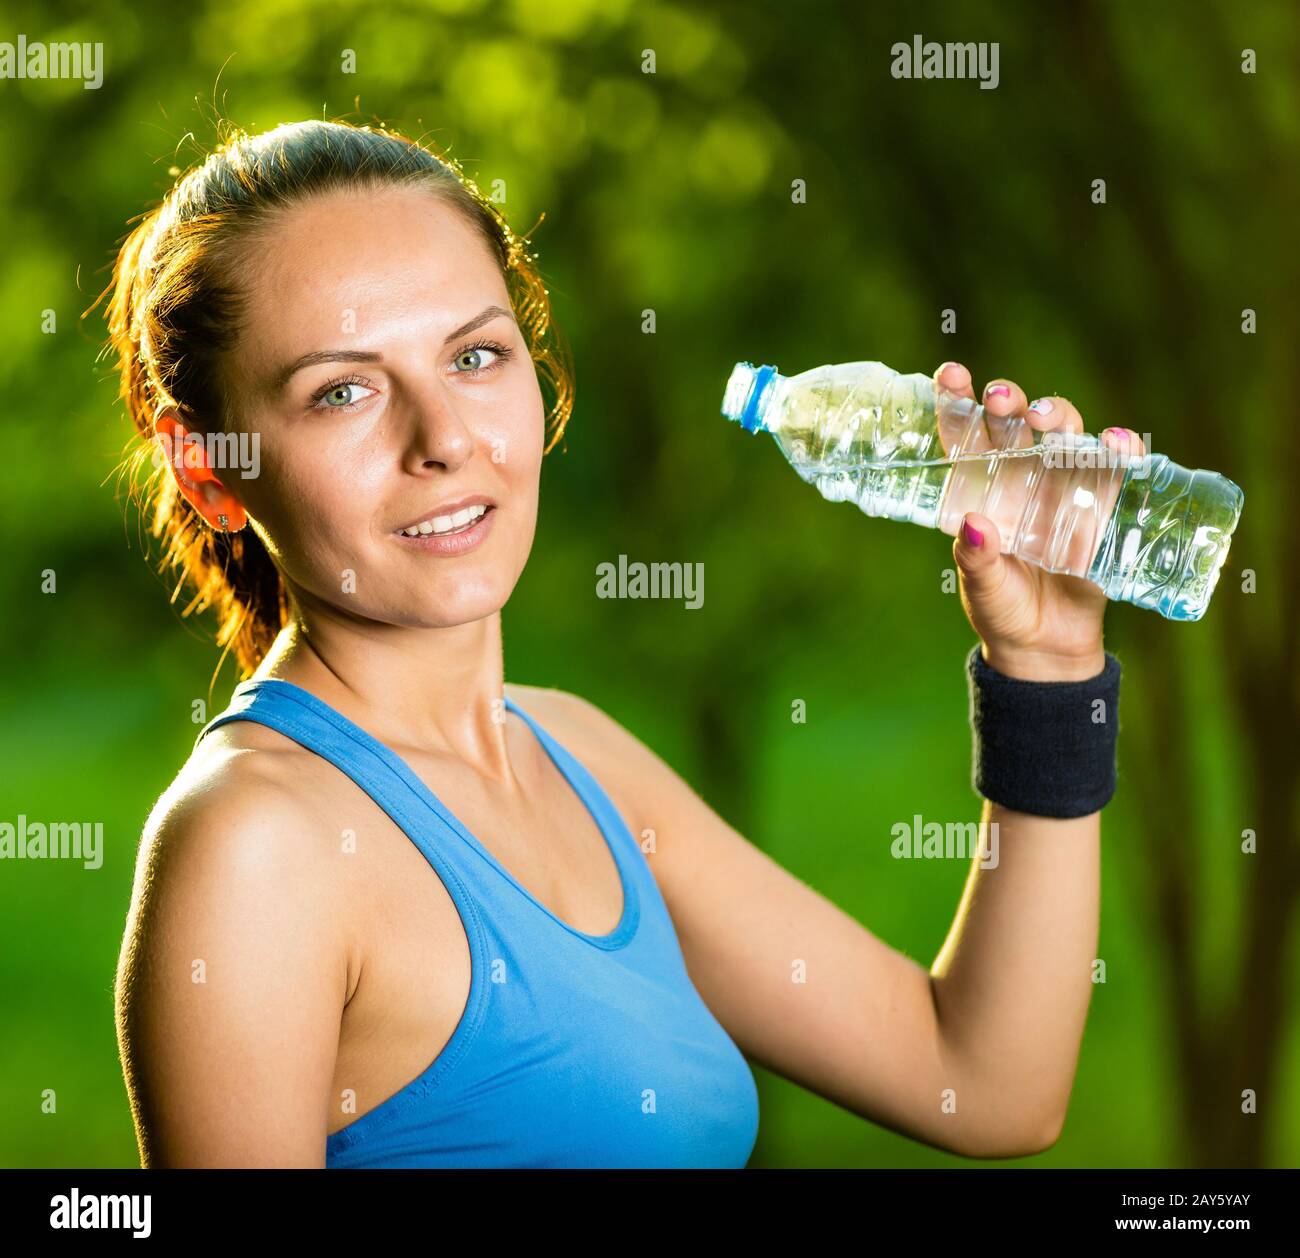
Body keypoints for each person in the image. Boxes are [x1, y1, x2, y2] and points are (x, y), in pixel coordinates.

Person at [105, 118, 1132, 1168]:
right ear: (208, 472)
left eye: (473, 355)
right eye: (342, 390)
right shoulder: (256, 847)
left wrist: (1045, 673)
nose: (446, 439)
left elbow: (986, 1082)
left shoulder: (578, 756)